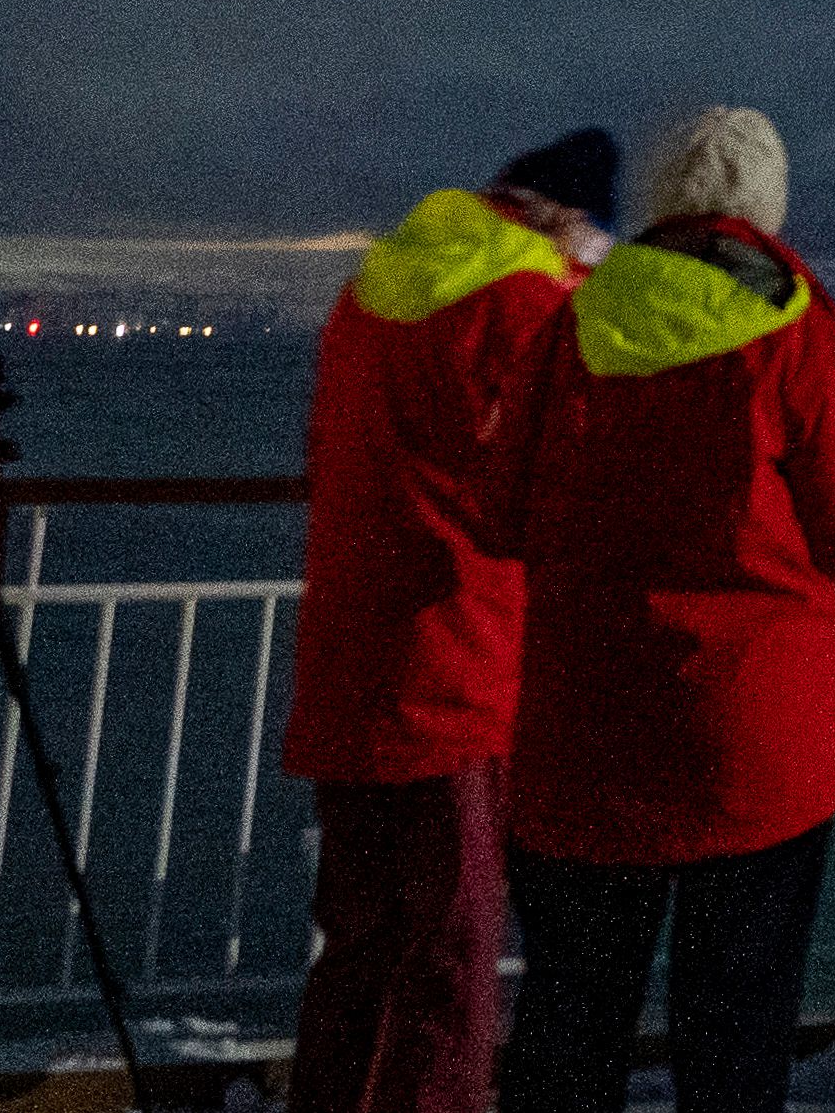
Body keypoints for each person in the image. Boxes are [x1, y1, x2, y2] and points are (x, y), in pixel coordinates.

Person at [488, 107, 835, 1113]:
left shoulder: (572, 320)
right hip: (750, 745)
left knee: (571, 1022)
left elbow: (501, 508)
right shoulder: (796, 325)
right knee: (734, 1034)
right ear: (766, 202)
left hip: (585, 734)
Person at [283, 128, 619, 1113]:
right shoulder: (525, 304)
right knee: (451, 958)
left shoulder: (371, 292)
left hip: (349, 659)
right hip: (456, 664)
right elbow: (561, 486)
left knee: (357, 943)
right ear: (567, 223)